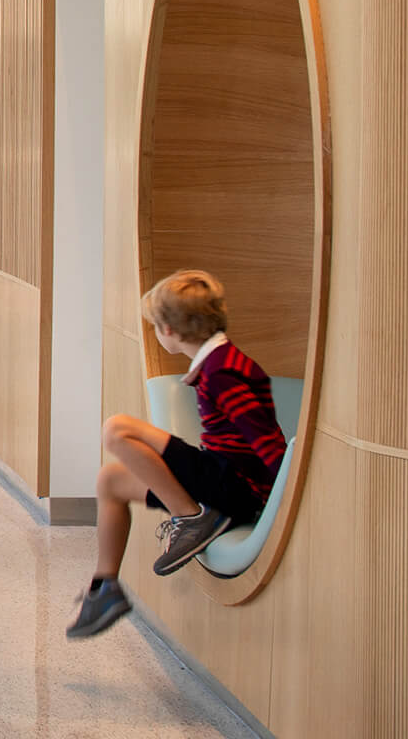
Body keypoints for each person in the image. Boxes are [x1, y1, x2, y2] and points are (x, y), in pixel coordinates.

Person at [67, 270, 286, 639]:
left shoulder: (223, 371)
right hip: (222, 479)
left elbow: (266, 440)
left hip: (235, 488)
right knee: (110, 481)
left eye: (155, 326)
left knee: (117, 429)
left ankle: (190, 518)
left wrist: (282, 505)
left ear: (168, 329)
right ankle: (105, 588)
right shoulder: (216, 363)